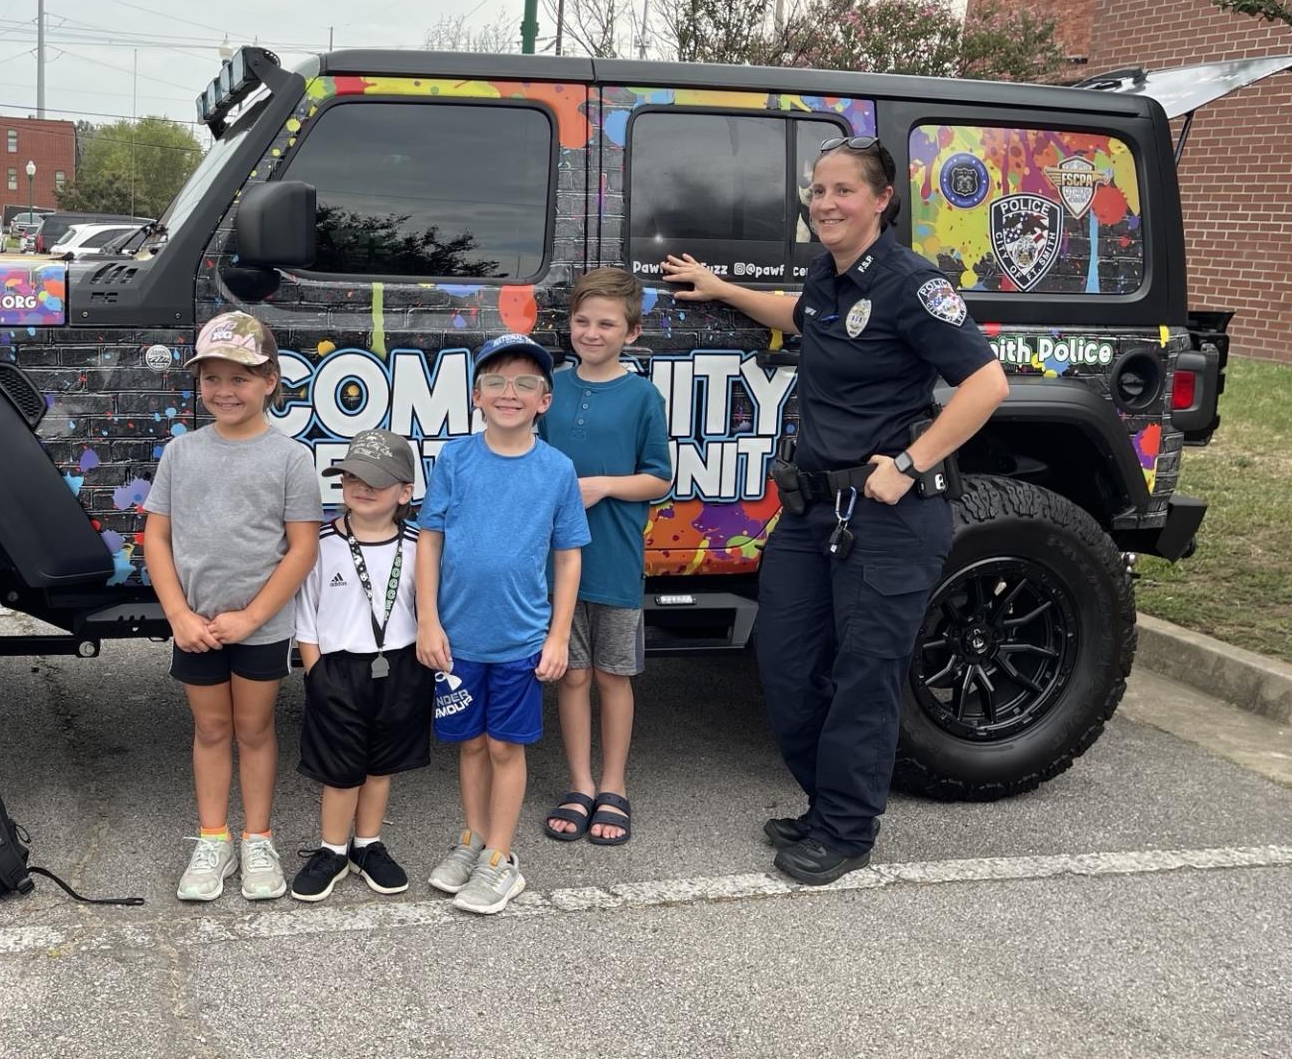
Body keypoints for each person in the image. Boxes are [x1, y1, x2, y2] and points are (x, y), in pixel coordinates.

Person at [661, 135, 1009, 885]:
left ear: (881, 200)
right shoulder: (829, 277)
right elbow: (798, 311)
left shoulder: (914, 286)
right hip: (814, 509)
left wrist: (912, 465)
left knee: (864, 674)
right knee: (785, 661)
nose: (824, 203)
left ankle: (846, 829)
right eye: (817, 191)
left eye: (842, 190)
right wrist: (722, 289)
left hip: (886, 516)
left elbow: (986, 384)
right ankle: (827, 802)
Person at [142, 310, 321, 903]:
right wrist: (179, 616)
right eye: (212, 379)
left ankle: (257, 837)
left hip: (261, 626)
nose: (224, 391)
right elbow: (157, 538)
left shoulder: (290, 458)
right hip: (196, 626)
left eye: (239, 378)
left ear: (270, 379)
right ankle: (213, 837)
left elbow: (301, 549)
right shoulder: (181, 453)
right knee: (212, 728)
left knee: (254, 728)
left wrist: (251, 616)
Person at [417, 334, 589, 915]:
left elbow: (568, 555)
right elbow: (430, 540)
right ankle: (473, 839)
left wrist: (559, 635)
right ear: (476, 395)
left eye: (524, 384)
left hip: (520, 640)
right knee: (468, 745)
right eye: (496, 382)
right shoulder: (455, 460)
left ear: (545, 400)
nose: (508, 393)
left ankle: (501, 859)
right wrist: (428, 620)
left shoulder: (557, 469)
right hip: (458, 638)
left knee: (503, 747)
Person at [536, 268, 673, 847]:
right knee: (571, 676)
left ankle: (614, 786)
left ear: (631, 332)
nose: (592, 333)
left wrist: (606, 486)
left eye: (607, 324)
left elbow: (659, 479)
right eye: (582, 321)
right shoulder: (550, 389)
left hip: (615, 558)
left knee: (614, 677)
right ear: (569, 326)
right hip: (555, 563)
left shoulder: (643, 395)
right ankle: (581, 782)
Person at [289, 429, 428, 902]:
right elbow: (305, 612)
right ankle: (331, 849)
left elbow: (426, 607)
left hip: (401, 667)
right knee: (340, 769)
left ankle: (367, 845)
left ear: (406, 491)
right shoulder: (323, 542)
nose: (361, 488)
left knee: (381, 765)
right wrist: (316, 671)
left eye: (376, 480)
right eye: (351, 477)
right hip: (337, 669)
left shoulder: (418, 545)